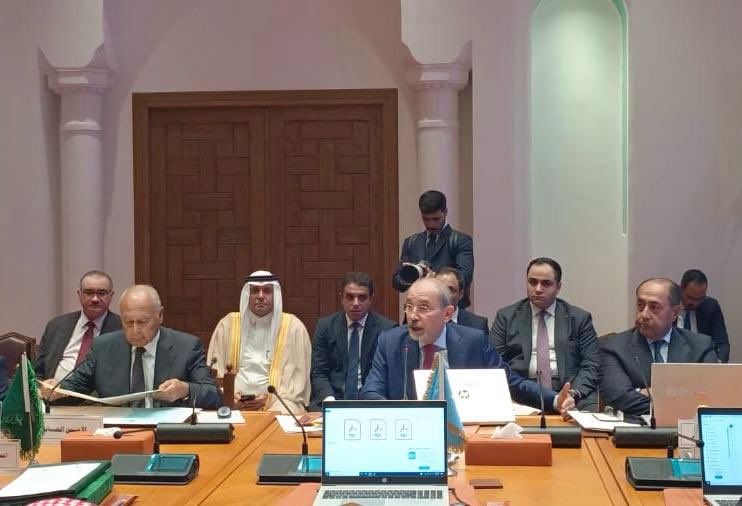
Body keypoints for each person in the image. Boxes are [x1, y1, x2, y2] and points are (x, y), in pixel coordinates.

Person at [360, 277, 575, 415]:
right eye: (409, 306)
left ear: (447, 314)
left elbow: (509, 382)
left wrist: (554, 399)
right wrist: (401, 413)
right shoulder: (390, 342)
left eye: (423, 308)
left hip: (465, 436)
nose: (413, 316)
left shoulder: (473, 341)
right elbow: (370, 392)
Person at [41, 285, 221, 408]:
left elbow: (213, 394)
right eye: (128, 322)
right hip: (117, 434)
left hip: (166, 432)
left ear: (160, 316)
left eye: (142, 322)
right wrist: (56, 390)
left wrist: (185, 389)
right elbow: (74, 388)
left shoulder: (186, 347)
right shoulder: (104, 347)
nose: (135, 330)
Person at [490, 258, 600, 411]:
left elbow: (591, 364)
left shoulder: (579, 318)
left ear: (558, 287)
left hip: (569, 391)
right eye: (532, 282)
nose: (538, 289)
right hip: (523, 392)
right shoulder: (506, 317)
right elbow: (495, 364)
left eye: (546, 283)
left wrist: (571, 395)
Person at [600, 278, 718, 416]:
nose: (644, 314)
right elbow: (619, 398)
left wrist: (642, 392)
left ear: (675, 313)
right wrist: (681, 398)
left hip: (688, 426)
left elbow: (712, 395)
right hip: (636, 427)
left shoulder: (701, 346)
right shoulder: (614, 347)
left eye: (654, 307)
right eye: (640, 305)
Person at [208, 270, 311, 414]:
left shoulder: (293, 327)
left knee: (287, 413)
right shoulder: (228, 324)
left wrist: (270, 399)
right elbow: (215, 372)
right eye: (255, 291)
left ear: (275, 295)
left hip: (278, 402)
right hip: (232, 402)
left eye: (267, 291)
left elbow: (298, 379)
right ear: (247, 295)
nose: (261, 296)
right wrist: (229, 395)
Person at [309, 272, 396, 410]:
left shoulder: (387, 330)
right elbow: (319, 372)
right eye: (350, 297)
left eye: (362, 298)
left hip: (371, 402)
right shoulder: (326, 326)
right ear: (341, 298)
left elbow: (388, 376)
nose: (355, 303)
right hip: (333, 399)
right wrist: (329, 400)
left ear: (371, 299)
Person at [392, 190, 474, 308]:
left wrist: (435, 278)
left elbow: (465, 277)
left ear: (445, 212)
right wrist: (410, 275)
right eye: (426, 219)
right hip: (418, 308)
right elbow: (397, 282)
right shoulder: (411, 242)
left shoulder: (460, 240)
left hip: (449, 309)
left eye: (436, 219)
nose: (431, 224)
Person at [35, 270, 122, 380]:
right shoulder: (56, 325)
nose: (95, 299)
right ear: (79, 294)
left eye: (101, 293)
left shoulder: (122, 329)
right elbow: (38, 373)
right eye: (89, 293)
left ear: (111, 295)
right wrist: (42, 387)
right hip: (52, 390)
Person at [678, 269, 730, 362]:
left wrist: (719, 365)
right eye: (690, 298)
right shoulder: (669, 305)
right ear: (681, 289)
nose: (695, 303)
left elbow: (722, 343)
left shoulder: (711, 307)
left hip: (702, 361)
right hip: (674, 360)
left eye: (700, 299)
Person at [435, 267, 488, 333]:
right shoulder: (424, 321)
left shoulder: (477, 325)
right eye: (440, 289)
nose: (444, 294)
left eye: (450, 290)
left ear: (460, 294)